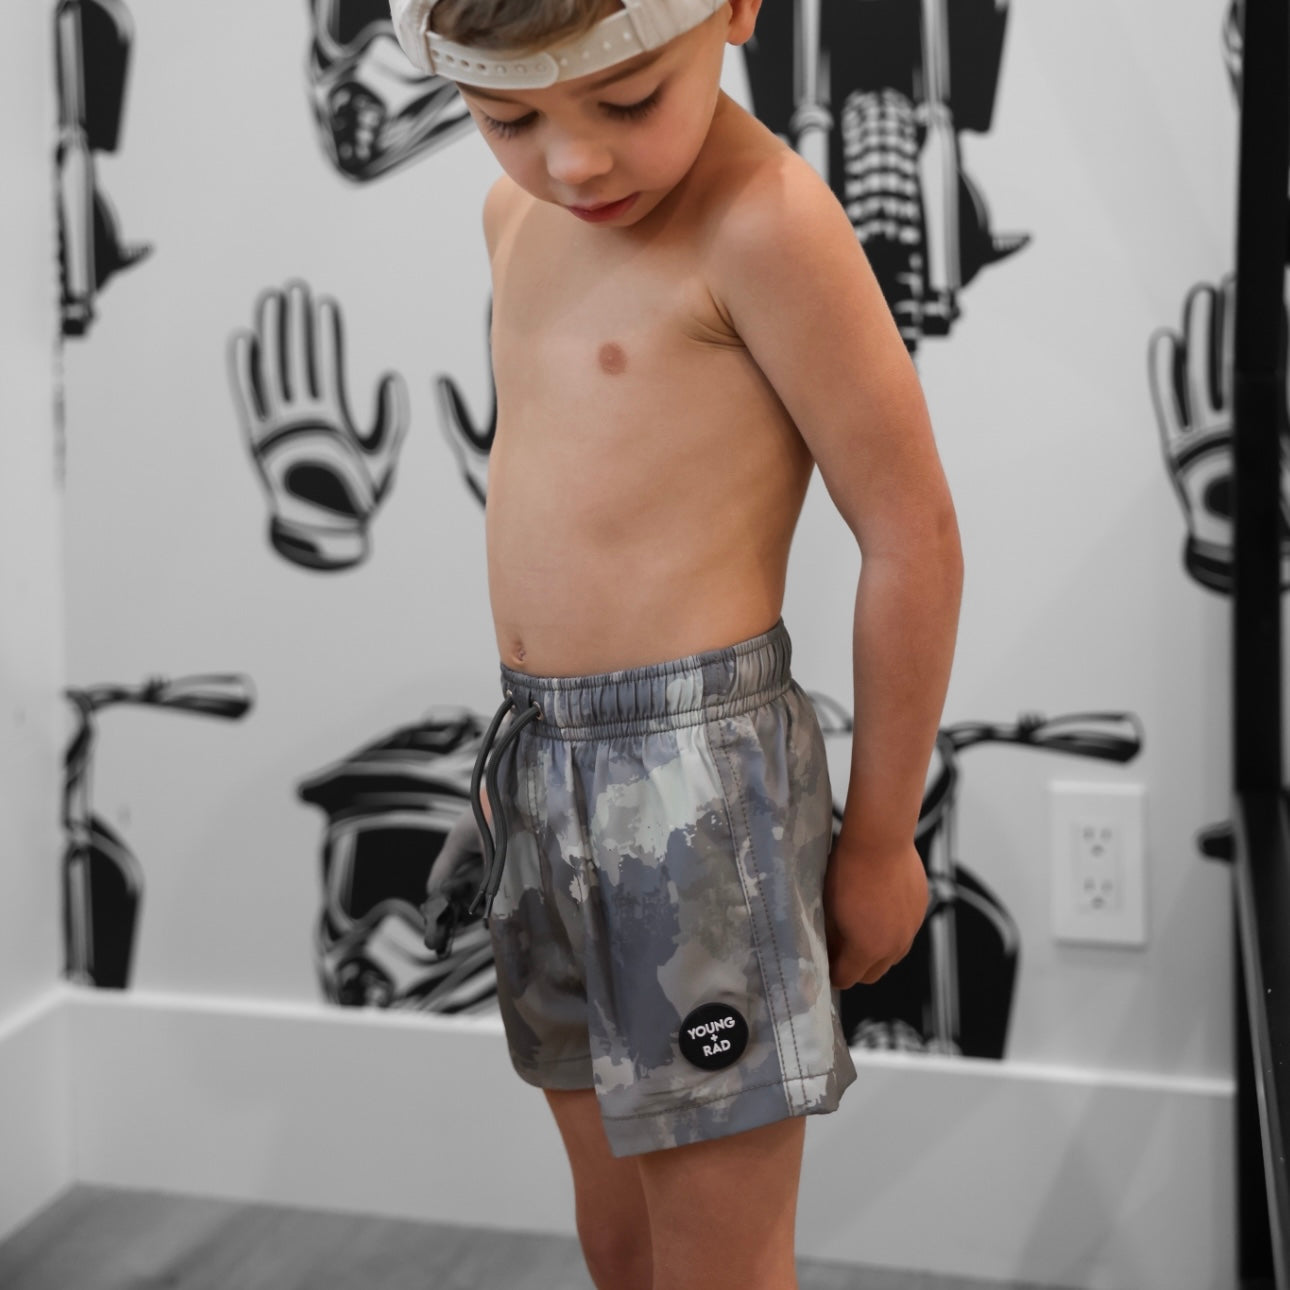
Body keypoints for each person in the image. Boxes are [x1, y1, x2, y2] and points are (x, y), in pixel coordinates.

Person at [391, 1, 964, 1286]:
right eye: (507, 118)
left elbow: (912, 534)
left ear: (736, 11)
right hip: (542, 757)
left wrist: (881, 840)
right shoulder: (515, 220)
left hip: (698, 795)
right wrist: (513, 783)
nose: (573, 160)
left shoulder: (766, 222)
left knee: (717, 1260)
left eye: (628, 99)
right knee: (619, 1239)